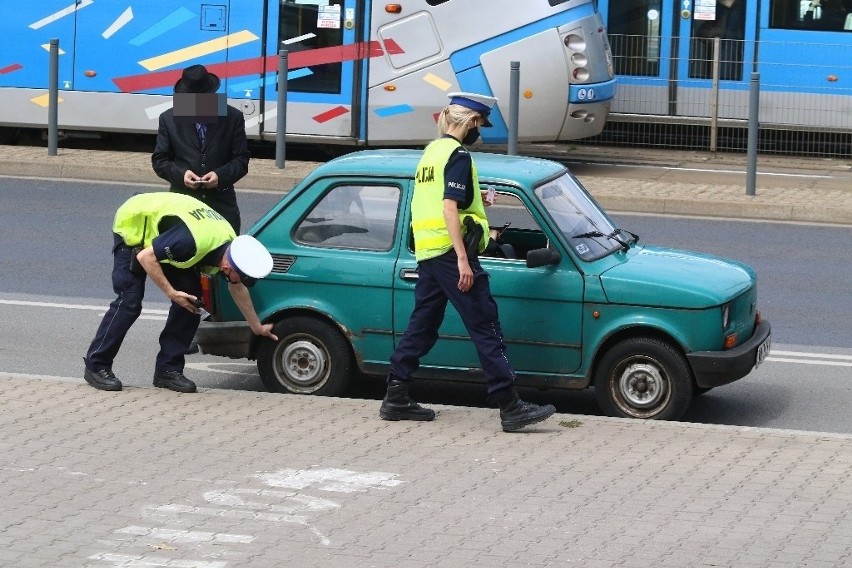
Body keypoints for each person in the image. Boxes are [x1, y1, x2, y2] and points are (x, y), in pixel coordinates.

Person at [379, 92, 556, 432]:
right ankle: (510, 406)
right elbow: (448, 207)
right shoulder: (458, 155)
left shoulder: (431, 152)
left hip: (429, 253)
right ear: (470, 122)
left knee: (422, 325)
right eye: (480, 125)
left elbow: (437, 204)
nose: (480, 132)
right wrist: (463, 258)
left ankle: (396, 396)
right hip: (450, 253)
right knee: (485, 325)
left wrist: (479, 206)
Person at [82, 192, 278, 393]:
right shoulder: (193, 241)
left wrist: (256, 327)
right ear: (228, 267)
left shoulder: (229, 246)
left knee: (191, 302)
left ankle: (168, 370)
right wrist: (171, 292)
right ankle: (97, 365)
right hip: (135, 225)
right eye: (242, 277)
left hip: (169, 237)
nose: (240, 282)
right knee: (129, 301)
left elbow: (237, 288)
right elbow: (146, 257)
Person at [152, 64, 249, 234]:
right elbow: (160, 160)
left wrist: (220, 175)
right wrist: (182, 175)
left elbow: (241, 160)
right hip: (182, 206)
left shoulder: (233, 117)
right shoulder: (168, 118)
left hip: (221, 207)